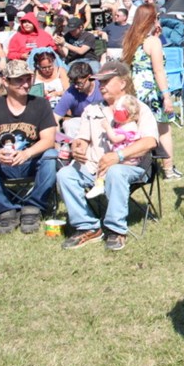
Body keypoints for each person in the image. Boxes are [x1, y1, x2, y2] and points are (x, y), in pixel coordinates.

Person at [57, 61, 159, 252]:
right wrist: (77, 147)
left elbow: (150, 142)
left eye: (106, 81)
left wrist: (118, 155)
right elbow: (82, 138)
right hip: (94, 167)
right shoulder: (92, 109)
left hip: (130, 166)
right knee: (65, 175)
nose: (101, 86)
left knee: (116, 172)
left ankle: (115, 229)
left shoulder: (138, 108)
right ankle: (87, 226)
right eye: (100, 82)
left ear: (122, 83)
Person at [0, 60, 57, 234]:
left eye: (28, 79)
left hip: (32, 162)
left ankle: (33, 208)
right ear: (6, 81)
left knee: (51, 156)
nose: (25, 84)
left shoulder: (41, 104)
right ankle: (6, 210)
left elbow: (48, 140)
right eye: (19, 80)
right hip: (4, 164)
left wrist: (27, 153)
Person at [120, 3, 180, 180]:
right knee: (163, 130)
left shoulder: (130, 40)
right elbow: (158, 71)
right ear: (152, 20)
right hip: (152, 90)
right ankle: (168, 169)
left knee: (140, 130)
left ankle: (139, 166)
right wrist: (167, 96)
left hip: (135, 90)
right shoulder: (153, 42)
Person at [84, 94, 142, 199]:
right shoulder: (123, 125)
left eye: (116, 112)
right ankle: (100, 184)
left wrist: (107, 128)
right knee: (105, 163)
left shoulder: (130, 127)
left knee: (107, 164)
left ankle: (100, 186)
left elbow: (115, 139)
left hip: (128, 159)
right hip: (122, 157)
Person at [53, 61, 102, 136]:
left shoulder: (102, 86)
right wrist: (59, 141)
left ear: (90, 77)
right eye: (73, 83)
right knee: (69, 124)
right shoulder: (70, 93)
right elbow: (55, 118)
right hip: (82, 123)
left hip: (103, 121)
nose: (76, 86)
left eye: (79, 83)